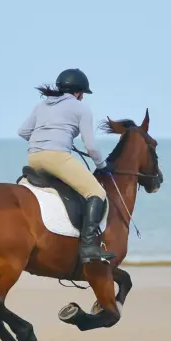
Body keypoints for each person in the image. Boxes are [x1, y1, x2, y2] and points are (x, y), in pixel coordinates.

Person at [17, 68, 114, 263]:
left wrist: (43, 139)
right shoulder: (81, 108)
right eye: (83, 95)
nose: (83, 98)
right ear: (78, 93)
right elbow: (91, 146)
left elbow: (22, 132)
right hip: (57, 158)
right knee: (96, 192)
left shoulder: (42, 105)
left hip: (34, 158)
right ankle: (88, 247)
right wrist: (101, 165)